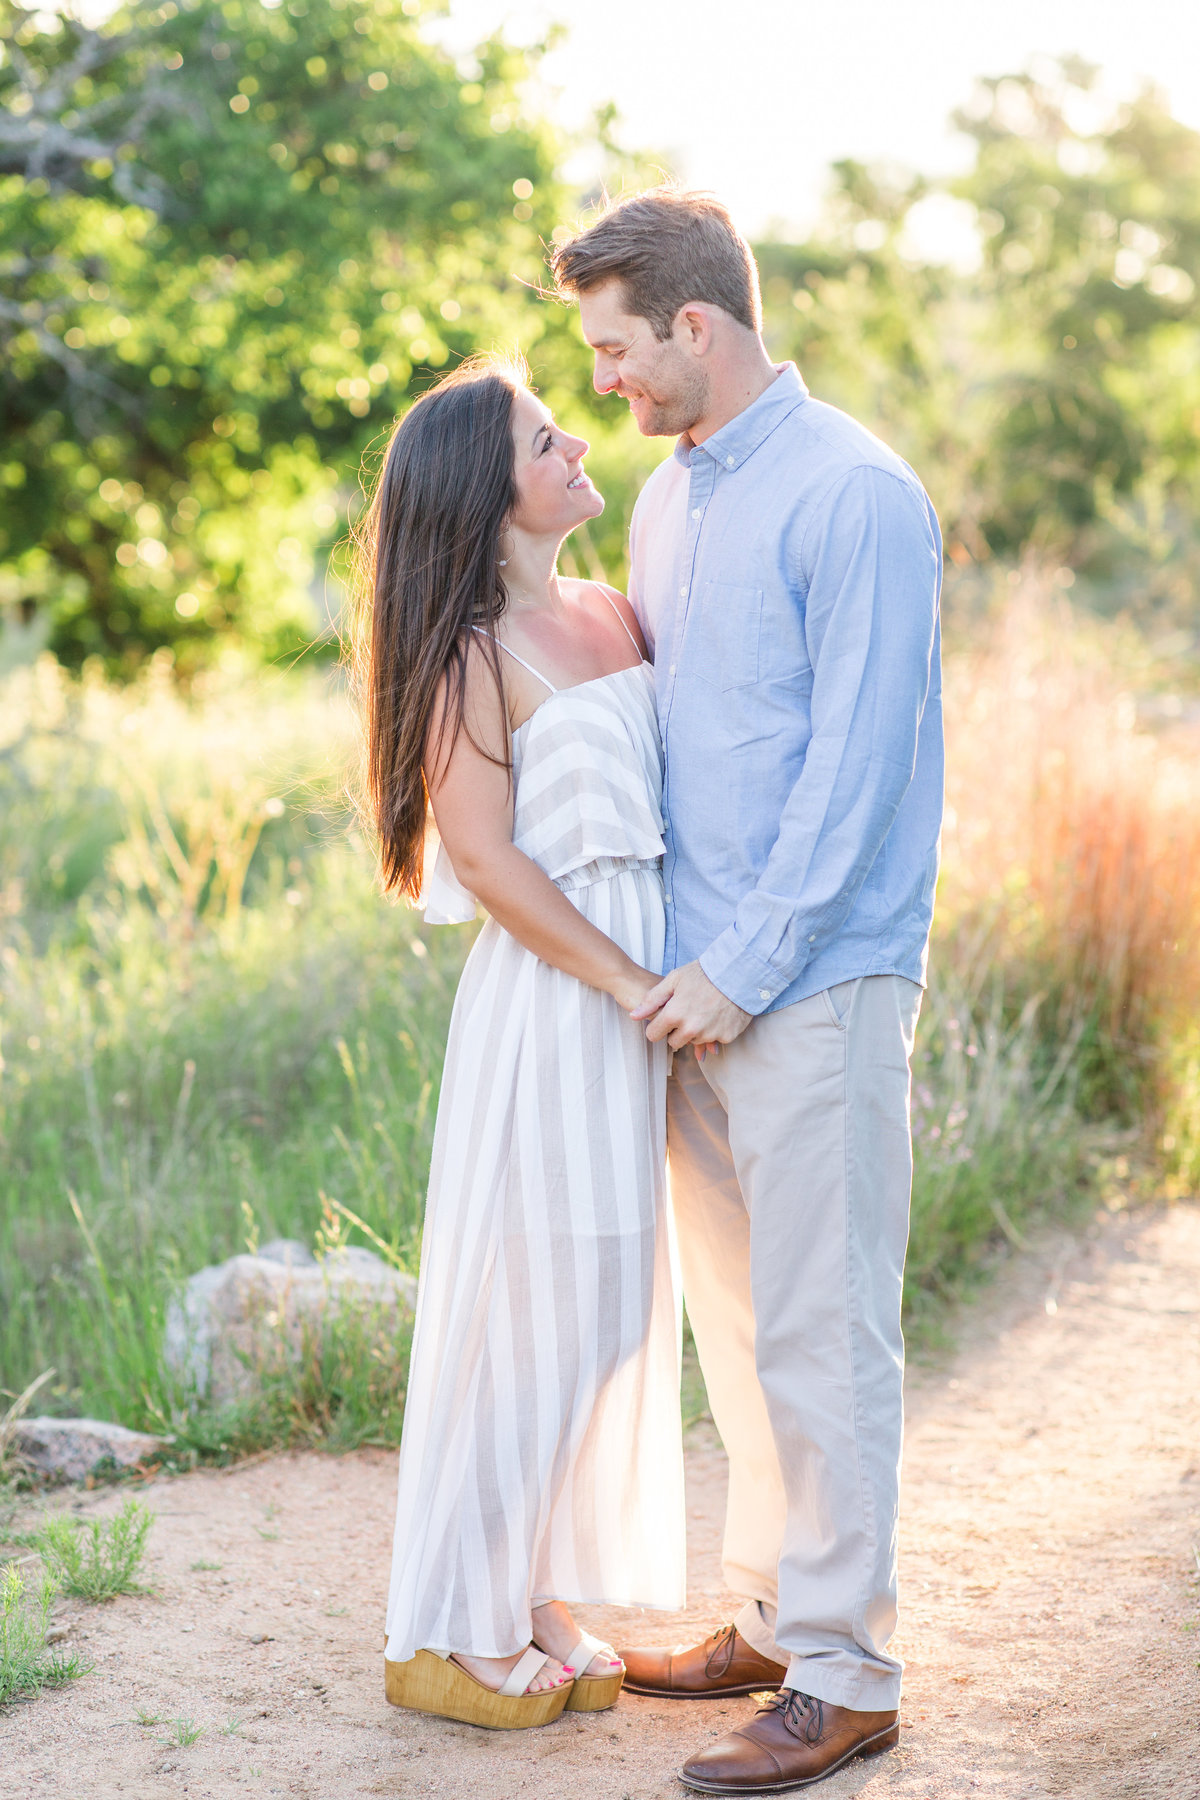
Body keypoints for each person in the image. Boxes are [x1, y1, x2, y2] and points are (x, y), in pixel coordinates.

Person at [551, 189, 944, 1793]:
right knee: (740, 1328)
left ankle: (849, 1674)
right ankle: (780, 1618)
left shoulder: (856, 495)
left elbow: (857, 775)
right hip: (693, 992)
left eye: (616, 350)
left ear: (695, 327)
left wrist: (744, 968)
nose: (607, 387)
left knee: (825, 1327)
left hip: (813, 980)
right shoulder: (663, 501)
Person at [353, 353, 686, 1731]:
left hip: (636, 995)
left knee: (609, 1309)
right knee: (541, 1310)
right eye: (548, 440)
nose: (577, 447)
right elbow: (484, 863)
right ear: (491, 498)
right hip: (558, 1007)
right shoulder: (471, 661)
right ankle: (456, 1624)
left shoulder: (613, 612)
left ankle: (543, 1589)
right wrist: (628, 982)